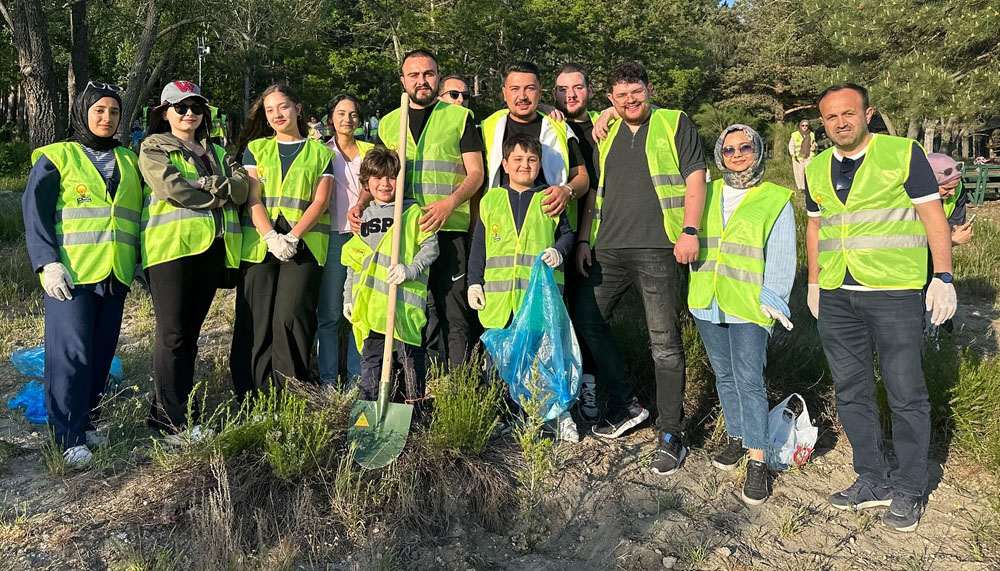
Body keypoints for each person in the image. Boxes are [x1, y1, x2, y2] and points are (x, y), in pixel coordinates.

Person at [804, 83, 956, 532]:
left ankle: (909, 487)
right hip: (836, 292)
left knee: (906, 393)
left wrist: (942, 277)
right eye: (831, 117)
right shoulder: (814, 167)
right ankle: (872, 479)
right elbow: (815, 228)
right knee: (851, 390)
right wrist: (813, 281)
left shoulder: (902, 153)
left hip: (893, 291)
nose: (840, 123)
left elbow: (933, 217)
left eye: (848, 113)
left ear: (867, 113)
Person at [574, 61, 707, 477]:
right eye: (621, 96)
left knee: (664, 342)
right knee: (585, 318)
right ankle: (629, 402)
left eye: (637, 93)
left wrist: (689, 229)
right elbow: (594, 188)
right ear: (610, 99)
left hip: (659, 247)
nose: (631, 101)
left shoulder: (674, 122)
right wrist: (582, 239)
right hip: (607, 247)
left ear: (649, 89)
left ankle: (672, 434)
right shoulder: (606, 128)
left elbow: (695, 175)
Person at [22, 81, 141, 468]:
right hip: (71, 274)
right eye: (100, 111)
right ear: (83, 112)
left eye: (114, 112)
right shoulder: (57, 157)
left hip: (114, 271)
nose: (107, 118)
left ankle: (87, 423)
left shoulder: (129, 159)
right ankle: (67, 437)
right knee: (70, 355)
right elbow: (34, 212)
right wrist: (47, 262)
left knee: (101, 352)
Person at [689, 124, 796, 505]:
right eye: (729, 149)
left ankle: (757, 460)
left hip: (749, 303)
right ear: (719, 154)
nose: (736, 155)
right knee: (725, 375)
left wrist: (774, 298)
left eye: (744, 148)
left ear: (758, 150)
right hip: (706, 298)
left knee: (750, 380)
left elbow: (783, 254)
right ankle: (736, 437)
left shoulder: (775, 198)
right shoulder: (706, 190)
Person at [138, 80, 249, 442]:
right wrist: (220, 194)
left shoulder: (216, 149)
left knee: (189, 336)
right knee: (172, 335)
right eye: (181, 107)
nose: (190, 114)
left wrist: (210, 184)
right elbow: (173, 189)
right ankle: (175, 423)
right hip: (171, 251)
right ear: (164, 112)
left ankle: (167, 412)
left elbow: (244, 186)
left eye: (196, 108)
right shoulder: (154, 147)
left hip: (211, 251)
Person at [360, 49, 485, 368]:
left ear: (438, 77)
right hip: (403, 234)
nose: (422, 80)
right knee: (407, 311)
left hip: (448, 229)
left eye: (428, 74)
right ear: (403, 80)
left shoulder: (460, 118)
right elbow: (377, 173)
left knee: (454, 314)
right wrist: (361, 203)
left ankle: (461, 389)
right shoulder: (389, 123)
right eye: (414, 75)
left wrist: (450, 203)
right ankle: (413, 386)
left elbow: (476, 173)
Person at [467, 133, 578, 440]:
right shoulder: (491, 200)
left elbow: (567, 234)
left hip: (537, 299)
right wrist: (474, 283)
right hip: (500, 301)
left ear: (539, 164)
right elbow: (479, 246)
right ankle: (503, 416)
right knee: (499, 363)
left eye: (531, 160)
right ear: (504, 164)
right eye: (516, 159)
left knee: (538, 360)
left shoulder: (548, 197)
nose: (524, 165)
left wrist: (560, 250)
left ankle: (546, 415)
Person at [230, 84, 334, 398]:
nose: (277, 114)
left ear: (298, 108)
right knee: (256, 319)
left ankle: (291, 393)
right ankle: (254, 395)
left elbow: (321, 201)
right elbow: (253, 197)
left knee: (291, 318)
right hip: (261, 244)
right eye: (270, 109)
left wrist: (292, 236)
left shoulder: (320, 152)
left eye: (283, 107)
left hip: (304, 245)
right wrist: (271, 236)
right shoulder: (256, 148)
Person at [343, 147, 438, 415]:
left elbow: (431, 247)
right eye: (378, 178)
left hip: (405, 305)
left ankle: (415, 410)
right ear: (366, 183)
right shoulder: (364, 218)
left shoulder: (412, 212)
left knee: (409, 357)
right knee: (372, 358)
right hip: (373, 307)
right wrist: (348, 297)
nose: (385, 184)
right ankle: (371, 408)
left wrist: (411, 269)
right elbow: (354, 261)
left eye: (391, 177)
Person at [552, 61, 602, 424]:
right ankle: (563, 391)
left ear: (590, 90)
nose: (570, 95)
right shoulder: (553, 126)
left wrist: (613, 111)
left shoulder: (606, 124)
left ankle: (591, 388)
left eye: (578, 87)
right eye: (563, 89)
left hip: (604, 232)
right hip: (565, 235)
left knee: (592, 317)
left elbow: (639, 105)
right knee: (566, 314)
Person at [481, 61, 588, 221]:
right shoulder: (487, 128)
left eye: (530, 88)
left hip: (550, 228)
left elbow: (582, 177)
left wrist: (567, 191)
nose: (522, 96)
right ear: (504, 92)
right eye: (515, 89)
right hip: (498, 228)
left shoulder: (559, 128)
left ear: (540, 91)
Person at [317, 94, 373, 388]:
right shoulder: (320, 152)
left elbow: (376, 186)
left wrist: (361, 205)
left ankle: (356, 376)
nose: (347, 119)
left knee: (357, 310)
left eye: (352, 114)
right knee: (329, 311)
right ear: (330, 119)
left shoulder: (370, 151)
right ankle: (327, 377)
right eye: (340, 114)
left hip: (364, 238)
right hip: (332, 237)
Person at [926, 153, 972, 246]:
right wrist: (951, 241)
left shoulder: (958, 190)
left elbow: (955, 221)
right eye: (947, 188)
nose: (953, 193)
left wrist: (957, 232)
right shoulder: (908, 198)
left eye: (955, 186)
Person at [789, 119, 816, 191]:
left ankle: (809, 186)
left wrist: (814, 146)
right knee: (799, 173)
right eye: (803, 125)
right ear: (800, 126)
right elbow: (791, 145)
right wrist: (792, 154)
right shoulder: (795, 134)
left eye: (806, 125)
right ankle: (801, 187)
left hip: (808, 156)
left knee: (809, 171)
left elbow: (814, 143)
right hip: (798, 157)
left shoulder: (811, 134)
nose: (804, 127)